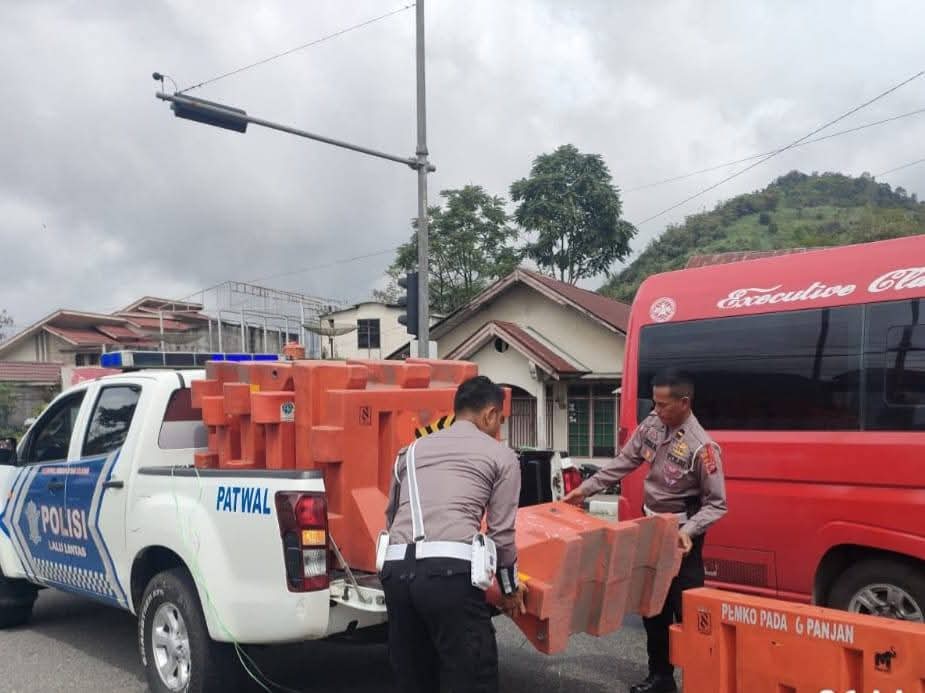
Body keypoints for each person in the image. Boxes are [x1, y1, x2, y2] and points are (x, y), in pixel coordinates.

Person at [564, 369, 727, 693]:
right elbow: (624, 461)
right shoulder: (653, 423)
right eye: (654, 403)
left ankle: (707, 682)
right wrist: (585, 490)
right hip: (650, 526)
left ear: (684, 402)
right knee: (652, 606)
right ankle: (661, 677)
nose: (656, 410)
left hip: (681, 536)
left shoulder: (702, 447)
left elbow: (717, 504)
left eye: (664, 405)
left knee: (690, 613)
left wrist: (689, 532)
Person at [380, 375, 528, 693]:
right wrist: (510, 588)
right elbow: (501, 533)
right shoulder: (501, 456)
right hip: (448, 576)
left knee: (414, 677)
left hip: (396, 573)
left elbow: (391, 518)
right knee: (472, 674)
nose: (499, 429)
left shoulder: (410, 451)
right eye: (499, 420)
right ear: (490, 415)